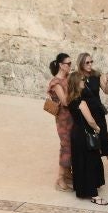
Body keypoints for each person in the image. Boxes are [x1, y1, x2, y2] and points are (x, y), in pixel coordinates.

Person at [77, 53, 108, 176]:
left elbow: (107, 91)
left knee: (104, 138)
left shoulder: (96, 75)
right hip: (85, 113)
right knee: (88, 139)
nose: (90, 64)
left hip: (98, 111)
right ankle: (89, 168)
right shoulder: (77, 77)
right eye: (87, 62)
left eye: (91, 62)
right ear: (81, 63)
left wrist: (107, 81)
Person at [66, 69, 108, 205]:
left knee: (80, 162)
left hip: (76, 133)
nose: (84, 82)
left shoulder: (70, 99)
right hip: (85, 134)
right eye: (82, 80)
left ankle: (81, 189)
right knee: (90, 162)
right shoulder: (81, 101)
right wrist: (97, 128)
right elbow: (90, 120)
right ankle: (93, 195)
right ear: (76, 83)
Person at [47, 53, 73, 192]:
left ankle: (68, 174)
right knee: (66, 147)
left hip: (71, 117)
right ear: (61, 65)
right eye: (68, 64)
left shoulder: (67, 78)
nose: (70, 66)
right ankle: (60, 179)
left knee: (71, 145)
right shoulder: (56, 82)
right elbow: (65, 101)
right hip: (63, 119)